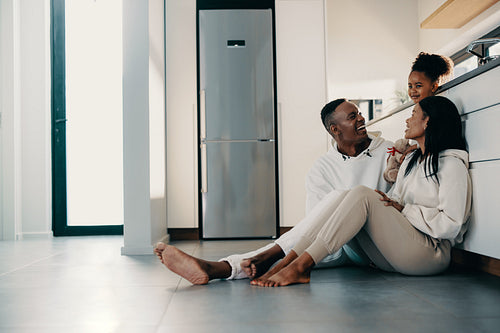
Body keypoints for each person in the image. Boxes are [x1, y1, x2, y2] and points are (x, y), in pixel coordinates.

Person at [154, 99, 395, 284]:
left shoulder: (390, 152)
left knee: (342, 198)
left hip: (379, 245)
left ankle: (248, 260)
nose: (362, 119)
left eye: (360, 114)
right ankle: (221, 269)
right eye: (353, 116)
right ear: (335, 129)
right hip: (339, 246)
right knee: (301, 248)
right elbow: (315, 223)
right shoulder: (322, 168)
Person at [256, 96, 472, 287]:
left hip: (430, 256)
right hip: (397, 254)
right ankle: (289, 262)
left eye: (413, 114)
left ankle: (301, 266)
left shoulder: (451, 165)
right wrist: (391, 202)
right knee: (342, 196)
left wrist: (405, 210)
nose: (407, 120)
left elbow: (452, 224)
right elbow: (397, 199)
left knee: (361, 193)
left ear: (428, 122)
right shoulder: (411, 160)